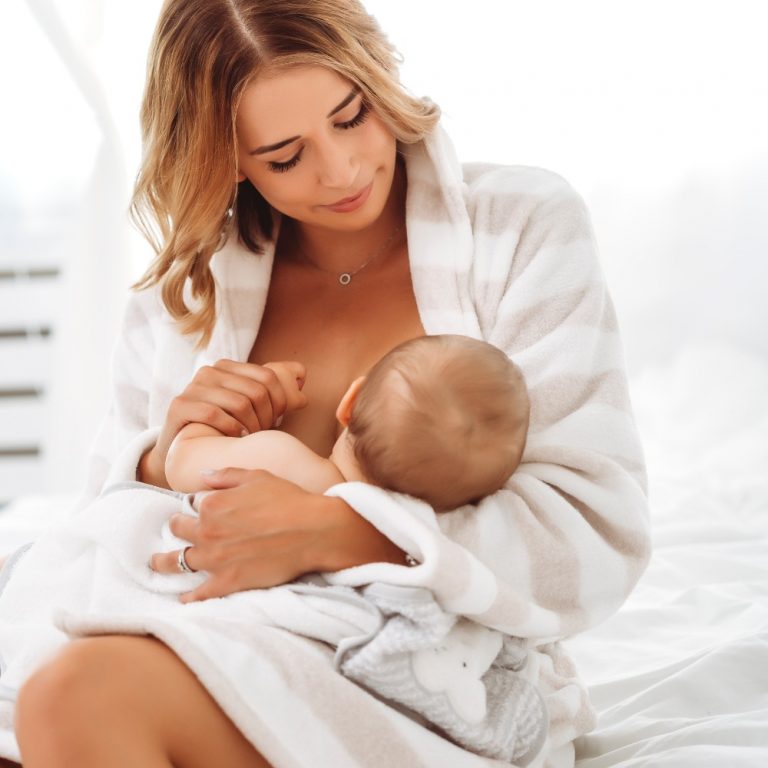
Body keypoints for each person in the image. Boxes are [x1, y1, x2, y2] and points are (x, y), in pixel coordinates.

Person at [8, 1, 651, 767]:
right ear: (226, 159)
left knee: (73, 697)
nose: (341, 170)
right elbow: (102, 543)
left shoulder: (520, 226)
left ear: (378, 78)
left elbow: (595, 534)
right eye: (285, 157)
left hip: (419, 682)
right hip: (212, 645)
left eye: (352, 116)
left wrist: (339, 532)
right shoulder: (183, 295)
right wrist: (157, 458)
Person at [164, 334, 531, 512]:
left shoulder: (283, 461)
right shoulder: (404, 532)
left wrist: (244, 405)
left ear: (350, 402)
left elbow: (179, 463)